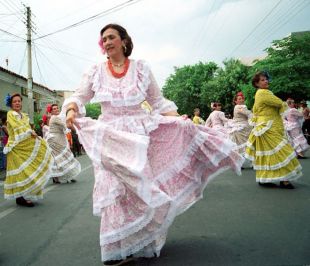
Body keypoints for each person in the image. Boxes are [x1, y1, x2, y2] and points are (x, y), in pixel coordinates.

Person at [63, 24, 244, 265]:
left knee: (139, 190)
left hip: (140, 135)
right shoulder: (95, 71)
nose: (106, 42)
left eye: (111, 37)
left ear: (124, 41)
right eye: (103, 39)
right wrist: (72, 109)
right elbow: (79, 95)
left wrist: (178, 120)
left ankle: (141, 241)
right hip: (111, 137)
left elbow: (157, 101)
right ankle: (115, 251)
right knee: (114, 188)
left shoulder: (141, 69)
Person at [245, 72, 302, 189]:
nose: (266, 81)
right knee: (281, 152)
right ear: (256, 83)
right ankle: (284, 180)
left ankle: (265, 179)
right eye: (262, 80)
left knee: (268, 155)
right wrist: (283, 105)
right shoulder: (263, 93)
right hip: (268, 127)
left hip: (268, 126)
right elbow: (279, 103)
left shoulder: (261, 93)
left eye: (266, 79)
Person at [3, 93, 53, 207]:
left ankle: (24, 195)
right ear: (11, 104)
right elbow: (17, 126)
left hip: (25, 146)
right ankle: (21, 197)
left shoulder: (24, 115)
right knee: (21, 172)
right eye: (14, 101)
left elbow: (27, 128)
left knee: (28, 169)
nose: (17, 103)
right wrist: (30, 131)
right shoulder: (10, 114)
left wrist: (32, 133)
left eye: (19, 101)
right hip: (15, 147)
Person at [46, 103, 81, 184]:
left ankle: (59, 177)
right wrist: (74, 127)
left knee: (57, 159)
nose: (56, 110)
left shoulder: (55, 118)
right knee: (63, 158)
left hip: (57, 139)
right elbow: (64, 126)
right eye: (54, 109)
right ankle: (67, 176)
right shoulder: (55, 118)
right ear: (51, 111)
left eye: (57, 108)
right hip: (55, 140)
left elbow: (63, 127)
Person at [228, 92, 253, 168]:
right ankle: (244, 163)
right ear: (236, 101)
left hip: (243, 127)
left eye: (242, 98)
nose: (241, 100)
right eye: (239, 99)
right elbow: (248, 114)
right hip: (241, 128)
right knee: (245, 145)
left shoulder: (238, 106)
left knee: (242, 146)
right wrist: (254, 113)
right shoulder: (239, 107)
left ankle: (242, 163)